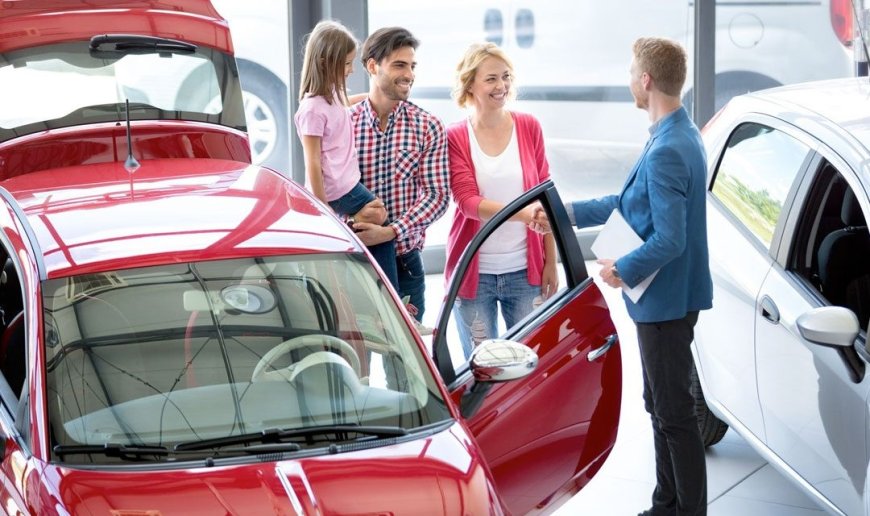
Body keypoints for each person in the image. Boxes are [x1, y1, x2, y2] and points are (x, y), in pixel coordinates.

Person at [537, 37, 713, 515]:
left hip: (665, 301)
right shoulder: (673, 133)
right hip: (668, 299)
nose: (628, 80)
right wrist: (559, 212)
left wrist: (622, 269)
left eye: (632, 71)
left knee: (674, 414)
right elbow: (628, 205)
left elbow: (670, 240)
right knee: (659, 404)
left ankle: (684, 510)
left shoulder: (667, 149)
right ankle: (666, 503)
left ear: (646, 80)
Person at [444, 42, 557, 359]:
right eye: (491, 78)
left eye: (506, 76)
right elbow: (467, 201)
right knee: (484, 371)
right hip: (473, 278)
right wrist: (525, 215)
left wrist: (550, 261)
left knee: (530, 364)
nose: (501, 86)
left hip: (525, 271)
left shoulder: (529, 126)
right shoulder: (455, 136)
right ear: (470, 85)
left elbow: (544, 196)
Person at [349, 27, 450, 325]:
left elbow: (438, 196)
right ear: (372, 66)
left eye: (412, 66)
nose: (409, 74)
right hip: (354, 261)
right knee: (356, 356)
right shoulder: (344, 124)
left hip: (405, 263)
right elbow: (326, 192)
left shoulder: (427, 126)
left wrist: (391, 231)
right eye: (399, 65)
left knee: (406, 366)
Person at [294, 20, 398, 288]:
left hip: (347, 182)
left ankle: (378, 288)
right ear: (327, 61)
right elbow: (312, 161)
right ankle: (392, 295)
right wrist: (321, 205)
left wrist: (378, 94)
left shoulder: (331, 96)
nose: (352, 70)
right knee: (382, 225)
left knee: (375, 222)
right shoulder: (312, 108)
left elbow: (343, 105)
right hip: (338, 189)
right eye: (348, 63)